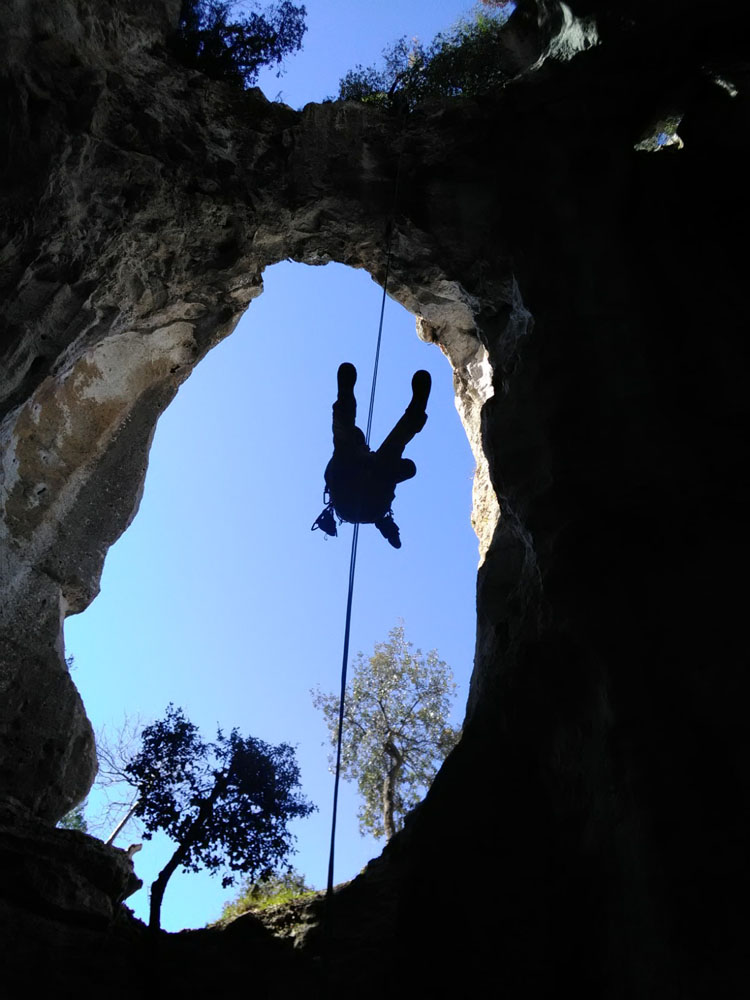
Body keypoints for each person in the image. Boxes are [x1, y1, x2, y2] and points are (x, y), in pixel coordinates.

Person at [312, 362, 431, 548]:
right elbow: (407, 469)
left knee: (347, 439)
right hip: (368, 504)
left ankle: (345, 398)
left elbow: (334, 472)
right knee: (390, 448)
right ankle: (415, 412)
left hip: (357, 505)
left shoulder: (352, 458)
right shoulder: (369, 460)